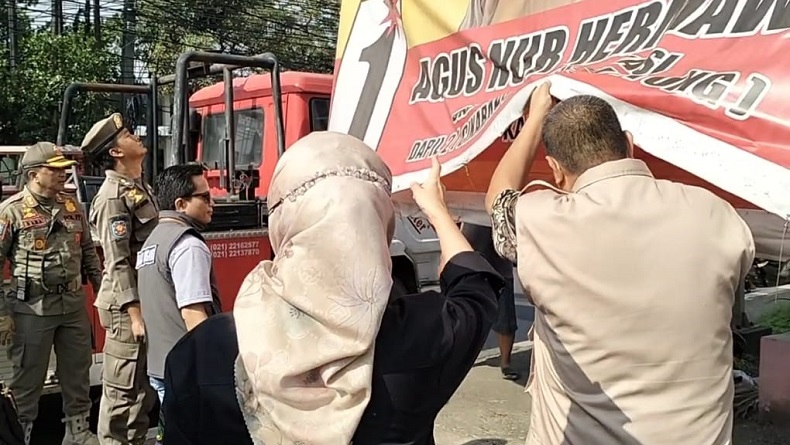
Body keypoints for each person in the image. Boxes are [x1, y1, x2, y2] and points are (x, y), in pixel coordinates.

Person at [158, 131, 504, 445]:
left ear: (282, 224)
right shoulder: (422, 333)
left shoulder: (199, 353)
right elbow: (474, 289)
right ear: (380, 220)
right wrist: (438, 211)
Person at [485, 82, 755, 444]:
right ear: (628, 143)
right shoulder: (717, 212)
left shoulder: (541, 222)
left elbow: (498, 199)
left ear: (554, 169)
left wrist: (535, 118)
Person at [0, 142, 103, 445]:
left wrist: (101, 291)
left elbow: (88, 253)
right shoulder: (12, 211)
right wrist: (4, 316)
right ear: (33, 174)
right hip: (31, 309)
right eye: (54, 169)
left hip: (71, 306)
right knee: (27, 380)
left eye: (63, 169)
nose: (62, 174)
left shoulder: (71, 206)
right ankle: (21, 436)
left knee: (78, 374)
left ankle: (78, 433)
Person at [82, 113, 159, 445]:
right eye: (128, 135)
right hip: (128, 309)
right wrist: (134, 312)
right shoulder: (113, 195)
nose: (136, 137)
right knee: (122, 392)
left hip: (144, 301)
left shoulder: (138, 187)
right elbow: (116, 261)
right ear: (115, 152)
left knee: (142, 393)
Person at [135, 163, 221, 442]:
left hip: (162, 365)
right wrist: (212, 368)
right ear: (181, 203)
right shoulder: (188, 245)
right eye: (205, 197)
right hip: (188, 371)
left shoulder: (153, 240)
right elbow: (193, 313)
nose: (212, 203)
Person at [461, 222, 519, 379]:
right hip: (471, 266)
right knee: (465, 317)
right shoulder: (468, 203)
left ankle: (506, 363)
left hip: (500, 269)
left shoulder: (501, 205)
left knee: (505, 320)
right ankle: (463, 360)